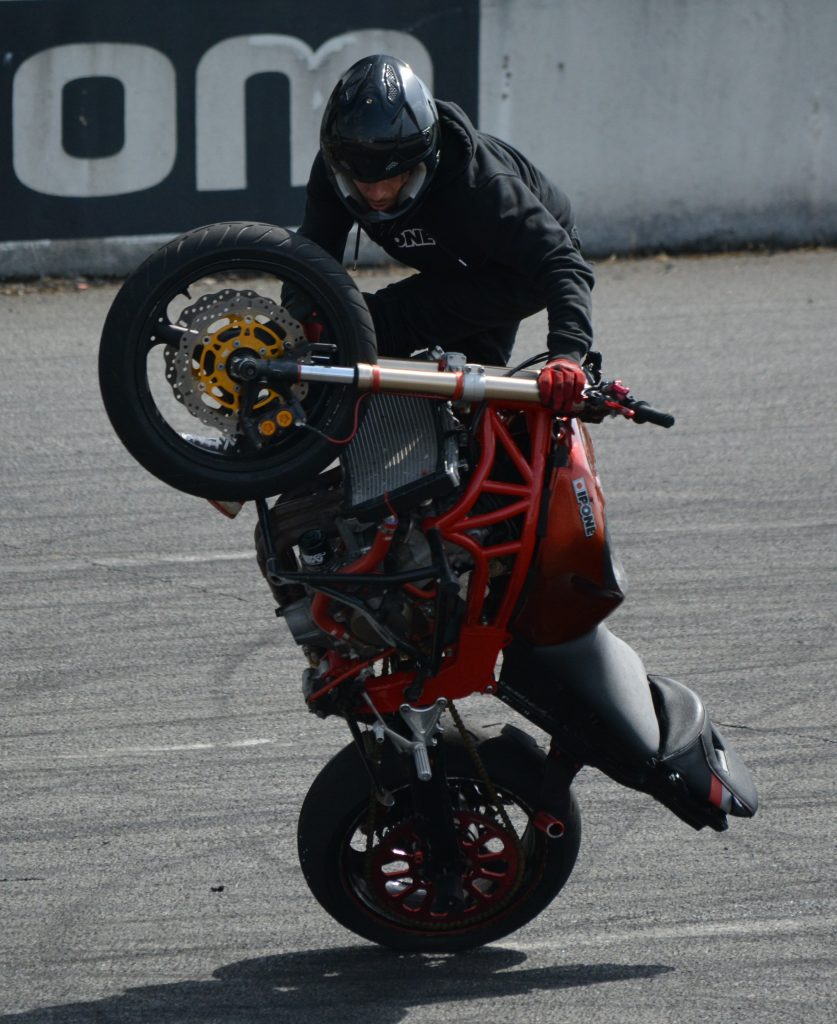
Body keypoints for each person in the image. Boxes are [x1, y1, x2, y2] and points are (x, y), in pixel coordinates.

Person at [285, 53, 593, 416]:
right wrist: (294, 322)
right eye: (362, 181)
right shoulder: (335, 169)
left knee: (373, 328)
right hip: (452, 261)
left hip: (519, 267)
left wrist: (567, 355)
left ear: (422, 162)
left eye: (390, 178)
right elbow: (312, 255)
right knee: (468, 392)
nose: (378, 194)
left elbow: (562, 262)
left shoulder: (481, 185)